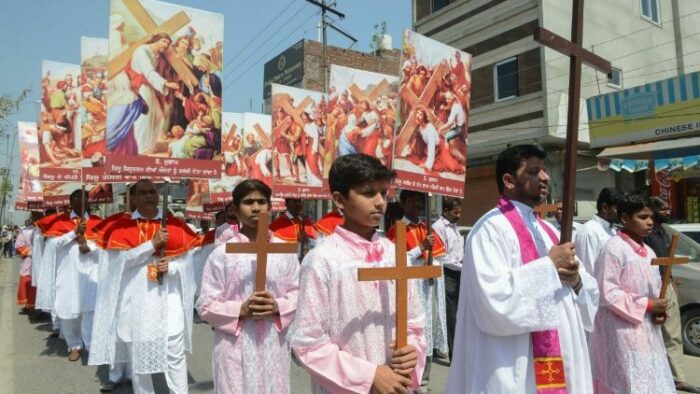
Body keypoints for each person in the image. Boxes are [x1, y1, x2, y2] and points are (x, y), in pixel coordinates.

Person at [445, 144, 599, 394]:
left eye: (545, 171)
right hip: (513, 358)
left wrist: (577, 280)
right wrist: (549, 266)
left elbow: (585, 288)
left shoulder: (549, 231)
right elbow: (492, 298)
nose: (545, 177)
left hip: (561, 350)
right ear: (509, 180)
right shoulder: (489, 229)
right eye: (534, 172)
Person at [289, 153, 426, 393]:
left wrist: (411, 351)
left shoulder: (395, 255)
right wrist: (370, 375)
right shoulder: (323, 261)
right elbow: (308, 344)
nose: (380, 202)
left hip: (397, 381)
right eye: (368, 193)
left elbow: (414, 322)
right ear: (339, 200)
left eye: (383, 193)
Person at [89, 179, 200, 393]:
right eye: (143, 193)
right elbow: (116, 266)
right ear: (133, 198)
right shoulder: (121, 226)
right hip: (135, 304)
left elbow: (188, 263)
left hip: (169, 302)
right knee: (139, 363)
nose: (149, 196)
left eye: (153, 191)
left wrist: (173, 266)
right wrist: (151, 245)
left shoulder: (175, 225)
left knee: (175, 358)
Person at [196, 179, 300, 393]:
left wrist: (277, 306)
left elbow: (300, 294)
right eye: (248, 202)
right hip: (235, 347)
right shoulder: (222, 255)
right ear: (235, 209)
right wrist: (240, 310)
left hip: (274, 345)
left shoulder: (285, 252)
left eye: (261, 202)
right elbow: (205, 305)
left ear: (270, 207)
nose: (255, 207)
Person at [590, 194, 675, 393]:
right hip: (621, 331)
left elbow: (653, 290)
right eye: (643, 217)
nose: (650, 222)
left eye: (651, 217)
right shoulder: (613, 248)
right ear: (625, 219)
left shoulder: (650, 252)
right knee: (628, 384)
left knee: (650, 382)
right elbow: (606, 292)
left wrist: (658, 311)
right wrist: (647, 304)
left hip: (648, 330)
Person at [387, 189, 447, 390]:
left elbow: (441, 257)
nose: (417, 206)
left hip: (429, 290)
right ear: (403, 204)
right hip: (412, 291)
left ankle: (425, 381)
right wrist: (420, 248)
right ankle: (410, 382)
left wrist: (431, 258)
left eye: (419, 202)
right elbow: (396, 262)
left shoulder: (427, 228)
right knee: (413, 334)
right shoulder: (397, 229)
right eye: (412, 202)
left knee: (428, 334)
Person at [35, 190, 103, 361]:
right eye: (77, 199)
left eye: (84, 199)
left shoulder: (98, 222)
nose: (81, 202)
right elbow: (51, 247)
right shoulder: (60, 221)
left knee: (90, 310)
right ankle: (74, 345)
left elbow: (107, 249)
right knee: (67, 310)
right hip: (67, 274)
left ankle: (90, 344)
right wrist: (73, 233)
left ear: (89, 202)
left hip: (91, 273)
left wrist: (90, 247)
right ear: (70, 202)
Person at [644, 197, 700, 393]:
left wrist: (672, 284)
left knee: (672, 333)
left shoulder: (664, 233)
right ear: (651, 210)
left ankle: (678, 378)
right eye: (664, 209)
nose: (667, 212)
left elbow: (668, 263)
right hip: (650, 288)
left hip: (666, 286)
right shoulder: (646, 235)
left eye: (669, 208)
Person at [430, 197, 463, 364]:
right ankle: (454, 355)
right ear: (446, 211)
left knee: (458, 314)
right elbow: (443, 257)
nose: (458, 215)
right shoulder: (438, 227)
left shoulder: (455, 227)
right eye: (455, 212)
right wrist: (462, 267)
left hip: (458, 272)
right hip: (447, 274)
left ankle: (440, 348)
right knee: (450, 316)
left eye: (459, 212)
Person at [574, 187, 622, 275]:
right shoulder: (589, 231)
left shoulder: (613, 231)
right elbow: (588, 271)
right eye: (618, 209)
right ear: (604, 207)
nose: (622, 213)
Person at [15, 212, 43, 314]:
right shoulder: (25, 231)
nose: (36, 218)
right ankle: (29, 306)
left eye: (39, 216)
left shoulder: (45, 230)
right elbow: (19, 246)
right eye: (34, 216)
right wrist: (29, 252)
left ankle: (37, 307)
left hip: (42, 261)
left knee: (39, 284)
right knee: (28, 282)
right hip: (29, 261)